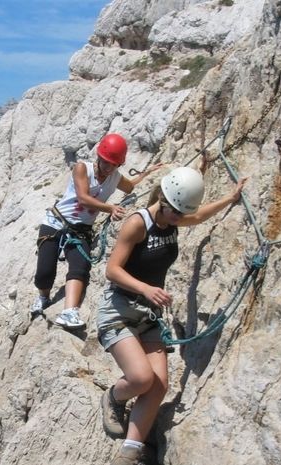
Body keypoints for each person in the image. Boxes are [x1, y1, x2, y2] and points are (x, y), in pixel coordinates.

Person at [96, 166, 247, 464]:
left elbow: (199, 215)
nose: (180, 219)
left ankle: (129, 452)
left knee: (159, 384)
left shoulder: (173, 218)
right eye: (176, 212)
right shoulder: (138, 223)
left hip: (147, 314)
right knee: (141, 378)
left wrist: (230, 198)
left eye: (181, 214)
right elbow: (111, 270)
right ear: (163, 199)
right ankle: (114, 397)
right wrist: (147, 289)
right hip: (119, 309)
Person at [31, 133, 161, 329]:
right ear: (99, 157)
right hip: (56, 223)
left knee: (80, 267)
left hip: (80, 230)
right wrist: (110, 208)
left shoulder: (114, 177)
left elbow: (131, 186)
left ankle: (69, 312)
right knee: (45, 272)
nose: (108, 167)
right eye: (105, 162)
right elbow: (83, 197)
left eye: (113, 164)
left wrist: (148, 173)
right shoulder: (82, 168)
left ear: (118, 165)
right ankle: (43, 296)